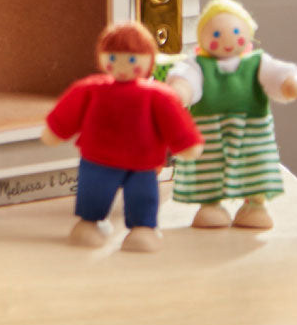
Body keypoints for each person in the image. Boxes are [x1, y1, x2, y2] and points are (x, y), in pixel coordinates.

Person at [42, 22, 203, 252]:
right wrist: (55, 131)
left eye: (131, 59)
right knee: (93, 194)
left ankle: (143, 229)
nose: (122, 65)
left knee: (142, 196)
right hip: (99, 158)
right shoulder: (91, 89)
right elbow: (69, 111)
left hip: (142, 161)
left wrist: (186, 143)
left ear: (148, 60)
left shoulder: (156, 95)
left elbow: (174, 120)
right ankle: (89, 223)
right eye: (113, 57)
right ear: (102, 58)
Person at [166, 0, 297, 229]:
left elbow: (277, 73)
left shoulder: (258, 62)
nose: (227, 41)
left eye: (235, 32)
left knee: (254, 165)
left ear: (248, 33)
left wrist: (288, 83)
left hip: (251, 131)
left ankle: (255, 206)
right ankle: (210, 205)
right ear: (203, 37)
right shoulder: (198, 65)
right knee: (210, 167)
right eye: (217, 34)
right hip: (211, 132)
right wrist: (180, 90)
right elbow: (185, 77)